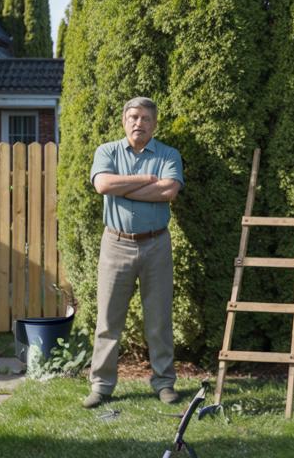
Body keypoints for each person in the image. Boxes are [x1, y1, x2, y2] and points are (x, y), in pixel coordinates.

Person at [83, 97, 184, 408]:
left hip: (156, 244)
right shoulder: (107, 151)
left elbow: (168, 191)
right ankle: (101, 386)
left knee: (159, 318)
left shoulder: (168, 154)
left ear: (154, 124)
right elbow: (102, 184)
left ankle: (164, 383)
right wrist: (143, 180)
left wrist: (122, 187)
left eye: (145, 119)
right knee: (108, 320)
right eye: (133, 117)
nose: (139, 123)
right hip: (116, 243)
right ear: (124, 121)